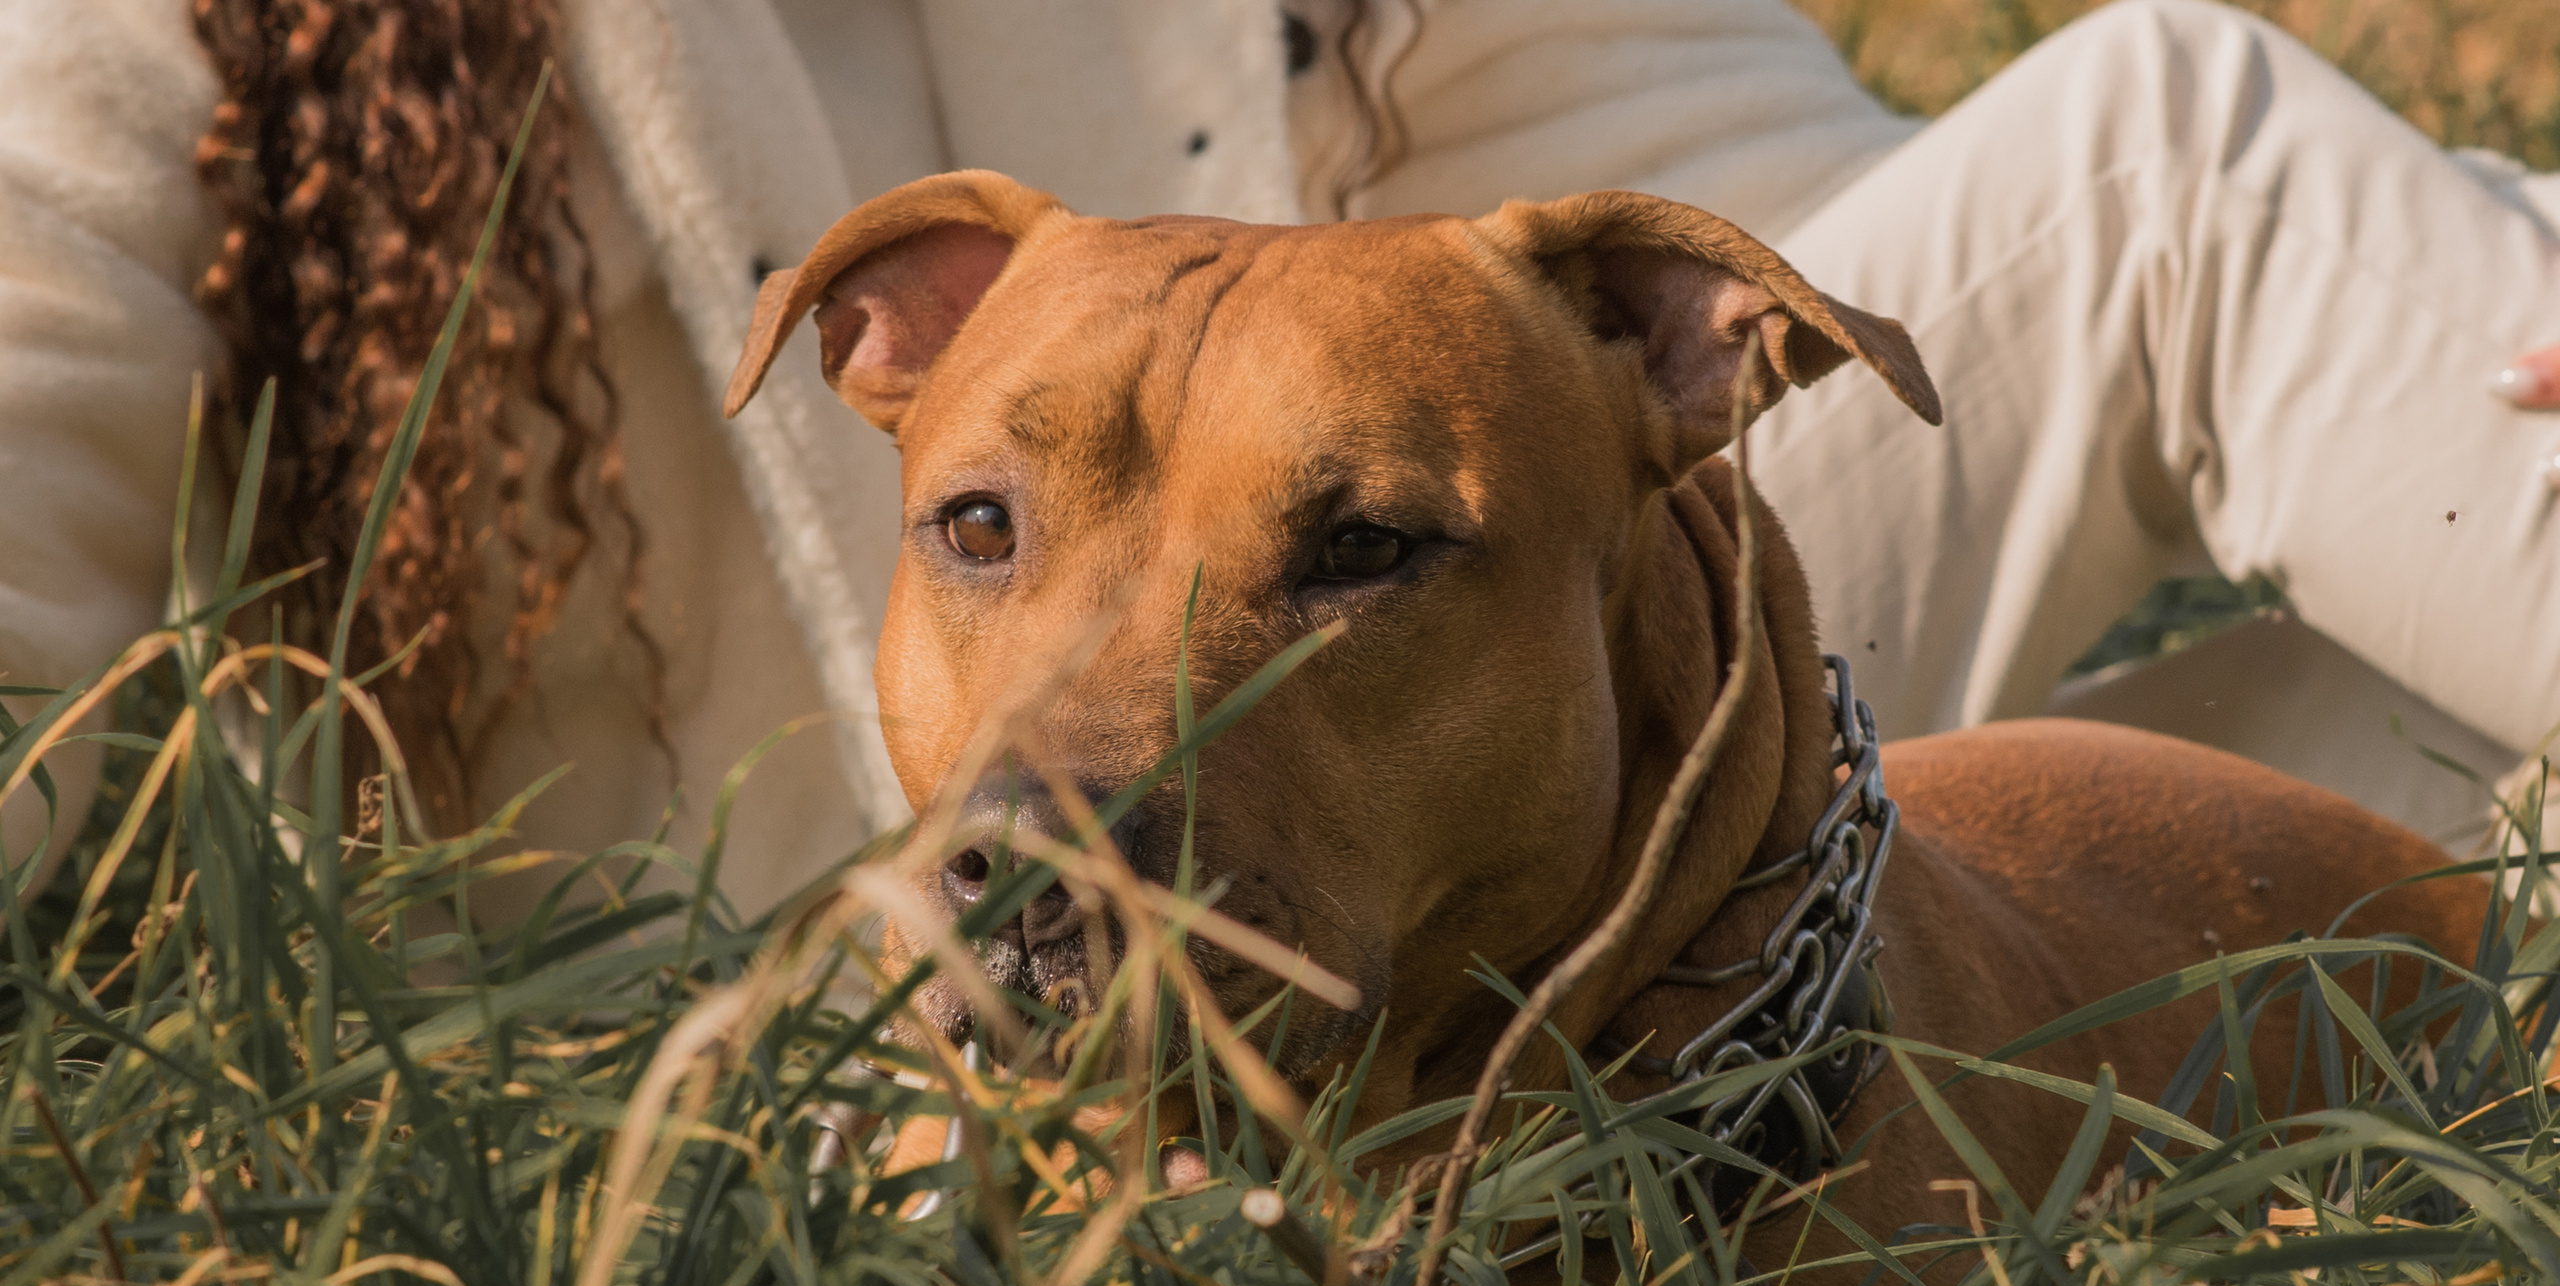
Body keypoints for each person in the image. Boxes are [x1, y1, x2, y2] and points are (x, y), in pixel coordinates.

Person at [2, 0, 2552, 924]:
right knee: (2174, 161)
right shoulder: (165, 37)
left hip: (1399, 764)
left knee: (2394, 677)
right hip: (825, 1039)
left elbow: (1866, 218)